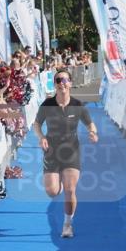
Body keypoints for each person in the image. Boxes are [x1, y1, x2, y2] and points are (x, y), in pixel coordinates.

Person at [32, 69, 99, 239]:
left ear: (70, 83)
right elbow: (37, 124)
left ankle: (67, 224)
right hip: (51, 152)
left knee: (70, 190)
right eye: (58, 80)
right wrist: (41, 138)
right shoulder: (47, 105)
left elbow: (90, 124)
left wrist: (93, 133)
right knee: (52, 191)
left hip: (71, 151)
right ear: (54, 84)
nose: (62, 83)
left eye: (65, 80)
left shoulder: (78, 105)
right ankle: (58, 184)